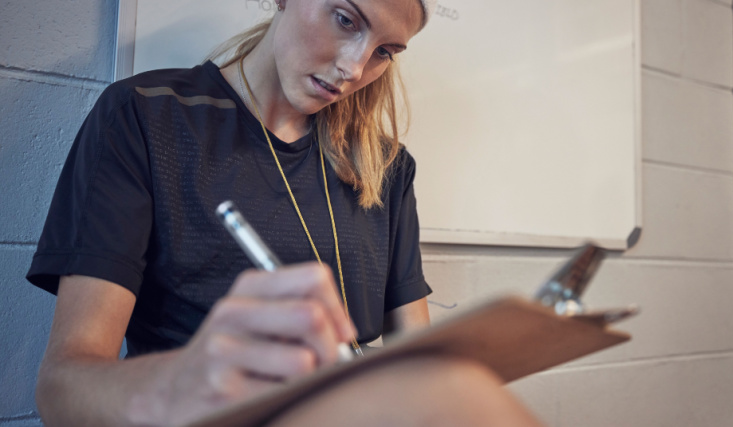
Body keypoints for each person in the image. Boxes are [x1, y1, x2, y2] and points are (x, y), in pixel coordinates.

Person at [26, 0, 545, 425]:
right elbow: (61, 389)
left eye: (385, 51)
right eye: (345, 19)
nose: (355, 68)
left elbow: (422, 364)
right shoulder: (146, 116)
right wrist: (183, 382)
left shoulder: (386, 167)